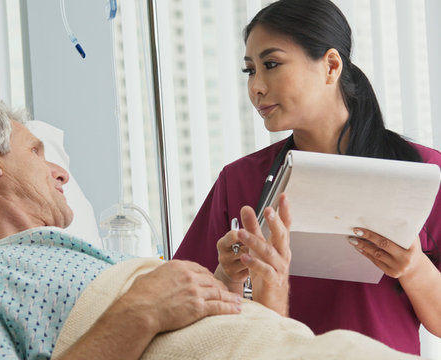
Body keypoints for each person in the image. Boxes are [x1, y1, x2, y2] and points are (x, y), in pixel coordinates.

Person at [0, 101, 292, 359]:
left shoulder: (96, 258)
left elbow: (227, 344)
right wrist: (138, 312)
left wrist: (251, 284)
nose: (62, 172)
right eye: (35, 152)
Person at [173, 0, 441, 355]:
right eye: (250, 71)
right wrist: (228, 276)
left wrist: (413, 268)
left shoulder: (422, 172)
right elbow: (181, 315)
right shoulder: (237, 181)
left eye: (271, 65)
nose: (256, 87)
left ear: (330, 66)